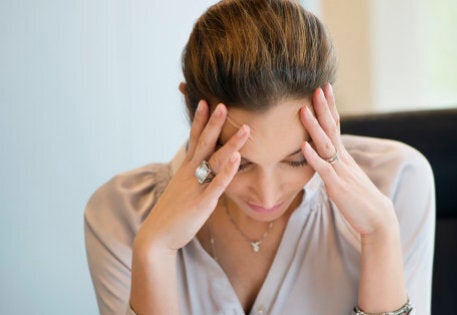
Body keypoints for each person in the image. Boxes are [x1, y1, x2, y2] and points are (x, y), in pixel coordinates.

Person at [84, 0, 435, 314]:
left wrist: (380, 232)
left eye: (297, 160)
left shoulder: (396, 182)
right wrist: (155, 252)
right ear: (194, 112)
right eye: (240, 163)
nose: (267, 196)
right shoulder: (122, 214)